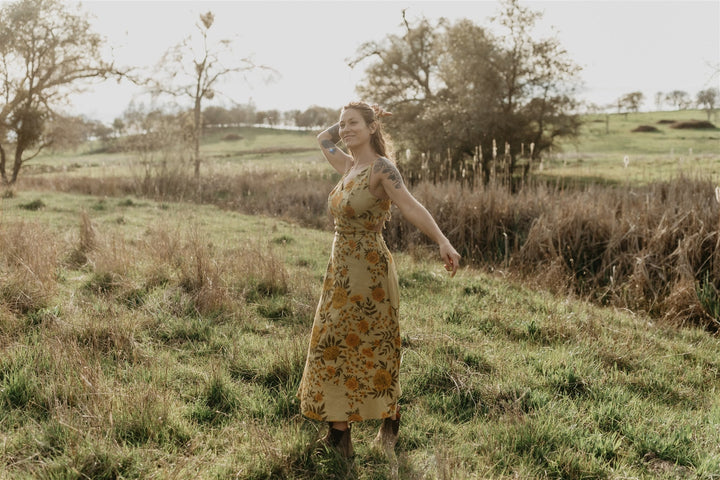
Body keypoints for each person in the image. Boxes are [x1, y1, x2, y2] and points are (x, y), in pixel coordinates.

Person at [297, 101, 461, 459]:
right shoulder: (347, 165)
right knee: (334, 343)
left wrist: (442, 241)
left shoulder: (381, 169)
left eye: (353, 124)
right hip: (340, 268)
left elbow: (412, 206)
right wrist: (354, 116)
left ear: (372, 129)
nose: (344, 130)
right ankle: (341, 434)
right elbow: (322, 137)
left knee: (367, 344)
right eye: (343, 124)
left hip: (368, 271)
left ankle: (365, 427)